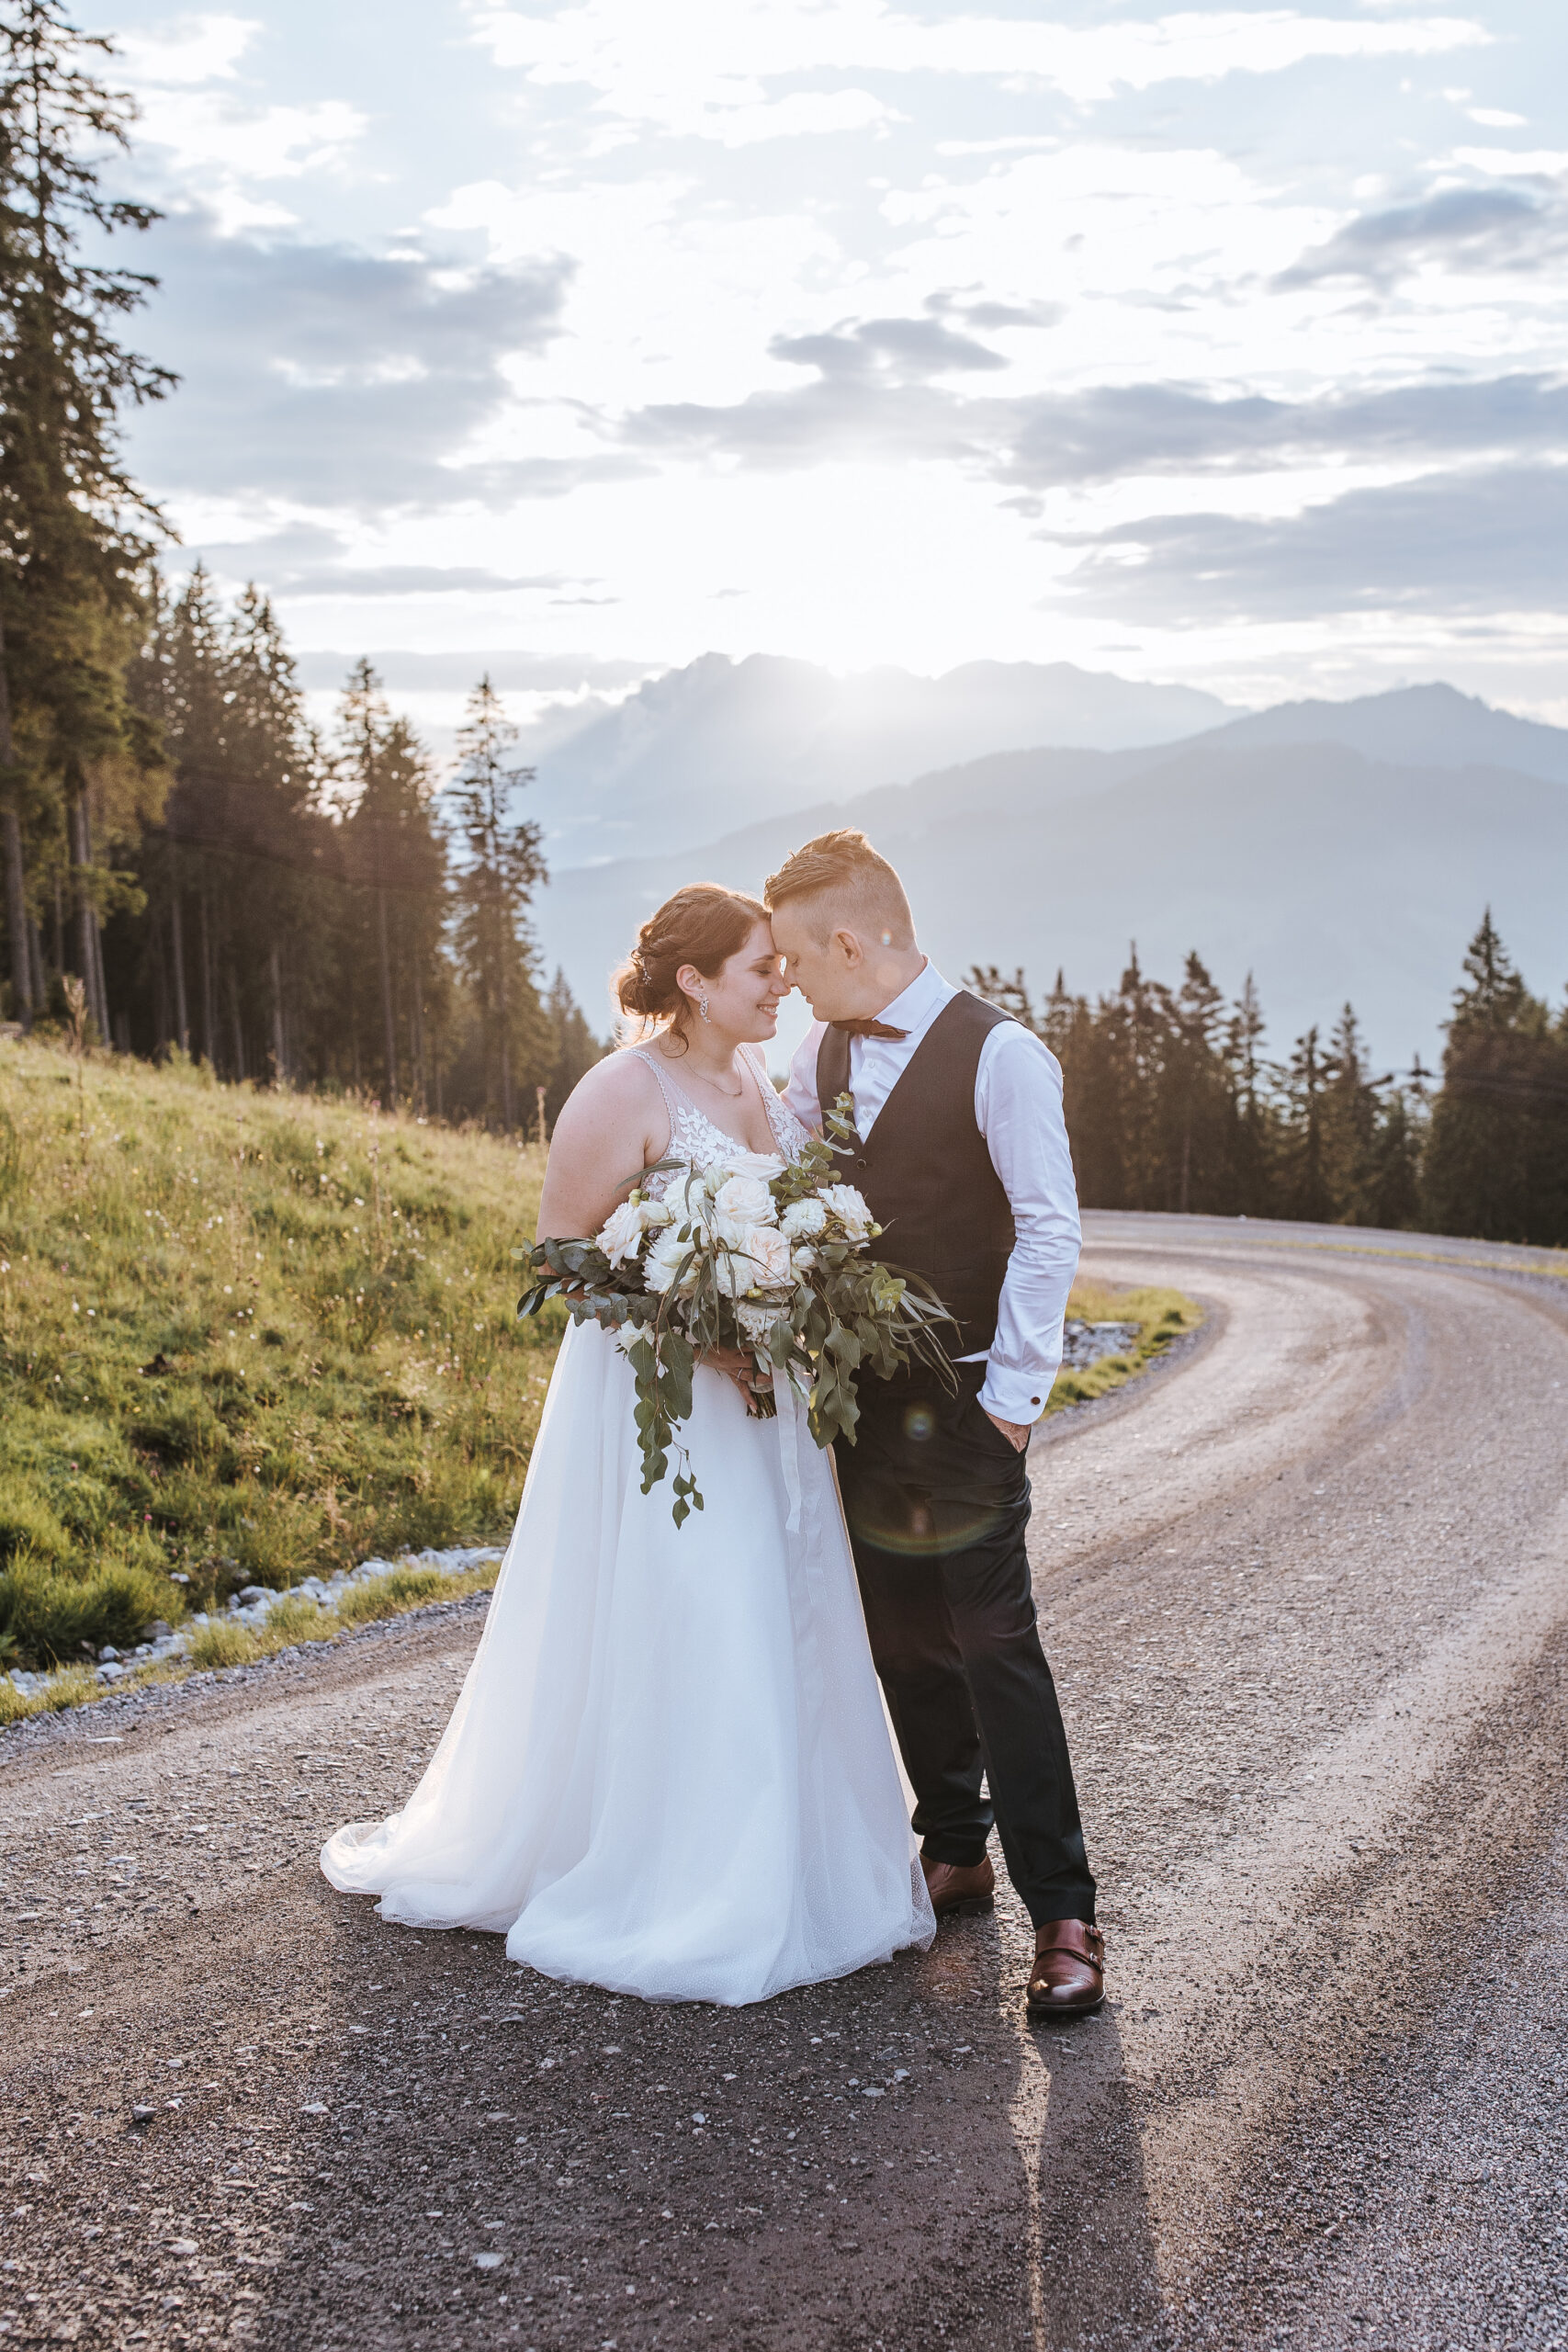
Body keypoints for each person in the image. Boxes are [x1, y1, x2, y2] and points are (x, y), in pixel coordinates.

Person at [321, 883, 934, 2005]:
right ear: (694, 982)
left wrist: (791, 1304)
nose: (783, 981)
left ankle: (799, 1864)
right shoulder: (623, 1088)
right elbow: (561, 1257)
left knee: (779, 1606)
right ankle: (686, 1878)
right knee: (704, 1604)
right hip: (670, 1401)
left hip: (769, 1403)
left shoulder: (753, 1077)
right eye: (762, 968)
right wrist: (702, 1341)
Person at [767, 829, 1102, 2019]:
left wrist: (1009, 1404)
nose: (791, 981)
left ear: (850, 941)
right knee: (898, 1629)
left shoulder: (1001, 1056)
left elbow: (1046, 1228)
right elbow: (784, 1181)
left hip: (966, 1397)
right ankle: (953, 1848)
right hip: (858, 1404)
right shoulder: (816, 1055)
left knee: (993, 1642)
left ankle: (1063, 1914)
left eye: (799, 959)